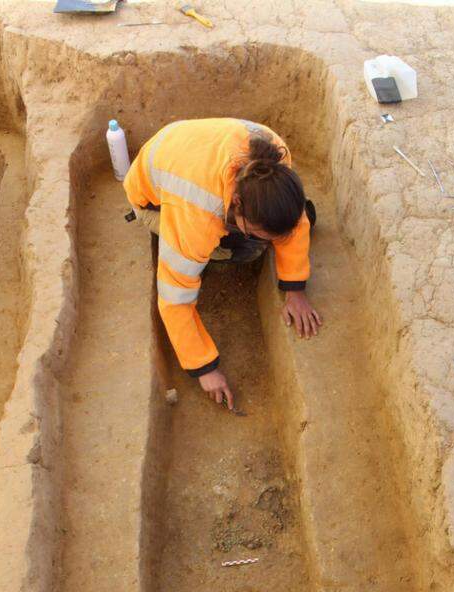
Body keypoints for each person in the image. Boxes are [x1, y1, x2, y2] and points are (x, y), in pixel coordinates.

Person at [123, 118, 322, 410]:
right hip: (151, 201)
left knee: (284, 225)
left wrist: (295, 289)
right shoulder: (196, 216)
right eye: (258, 230)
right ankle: (241, 240)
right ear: (237, 205)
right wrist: (205, 368)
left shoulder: (275, 154)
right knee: (249, 250)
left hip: (184, 150)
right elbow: (174, 299)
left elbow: (297, 223)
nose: (271, 240)